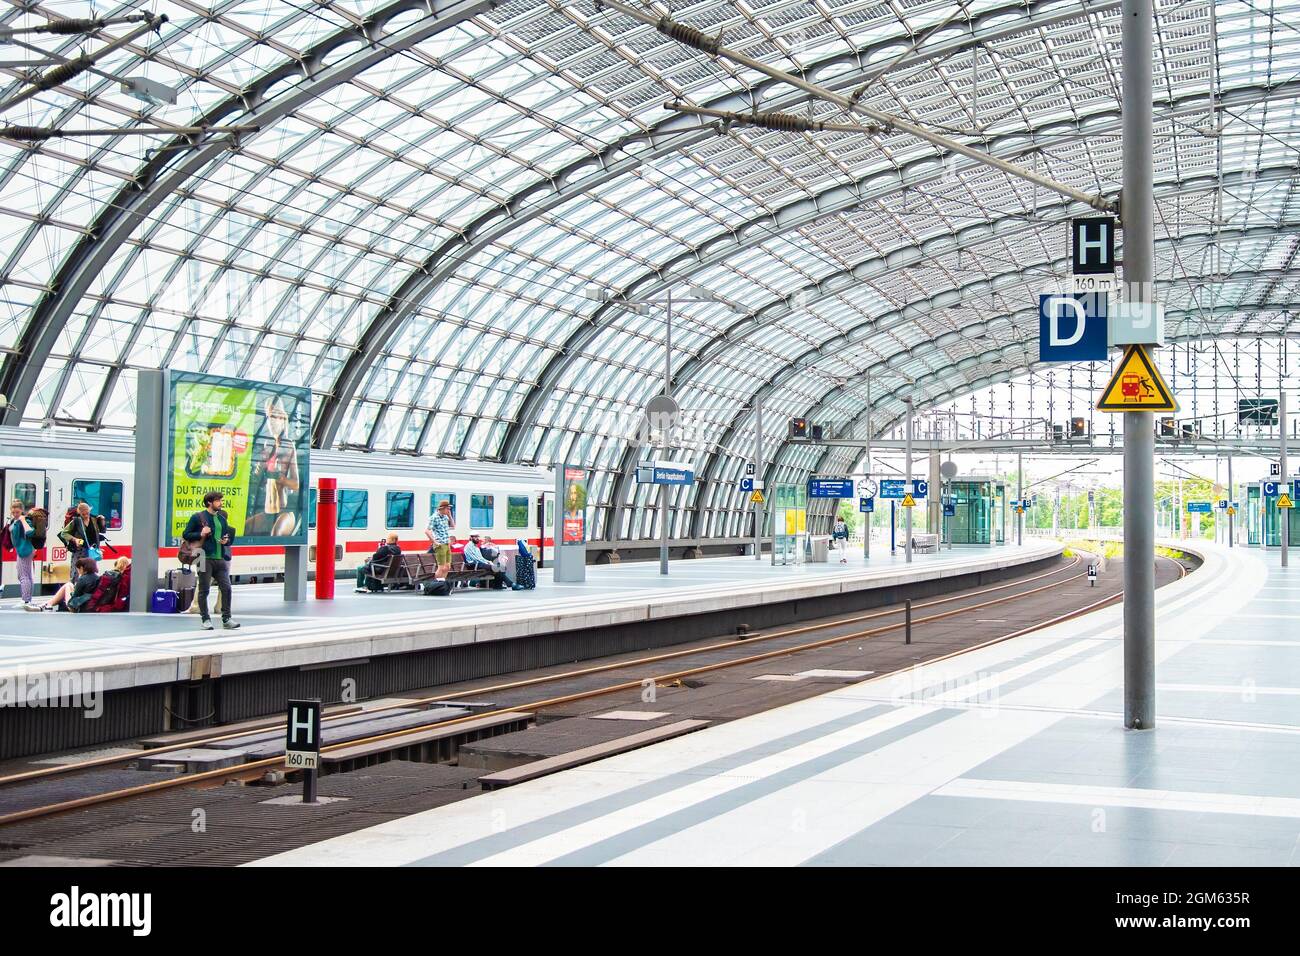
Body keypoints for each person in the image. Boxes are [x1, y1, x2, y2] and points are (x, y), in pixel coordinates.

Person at [244, 397, 301, 537]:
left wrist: (279, 478)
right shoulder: (268, 447)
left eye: (276, 416)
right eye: (269, 417)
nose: (273, 421)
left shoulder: (289, 446)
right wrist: (259, 469)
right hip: (268, 511)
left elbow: (296, 484)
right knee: (243, 528)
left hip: (285, 510)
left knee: (276, 534)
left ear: (283, 419)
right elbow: (255, 482)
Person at [182, 491, 240, 630]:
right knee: (204, 590)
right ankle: (205, 619)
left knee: (226, 588)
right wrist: (200, 533)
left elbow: (226, 537)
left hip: (219, 558)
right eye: (218, 500)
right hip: (202, 557)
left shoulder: (222, 520)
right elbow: (186, 534)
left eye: (221, 500)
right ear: (209, 502)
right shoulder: (197, 517)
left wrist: (225, 540)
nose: (221, 503)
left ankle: (226, 619)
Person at [25, 556, 98, 612]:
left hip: (77, 607)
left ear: (82, 568)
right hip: (90, 605)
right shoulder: (97, 577)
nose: (78, 571)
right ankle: (46, 605)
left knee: (68, 585)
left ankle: (45, 605)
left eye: (78, 569)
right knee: (69, 585)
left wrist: (77, 583)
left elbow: (75, 596)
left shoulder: (82, 579)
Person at [4, 499, 35, 605]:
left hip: (25, 550)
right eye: (13, 512)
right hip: (21, 549)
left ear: (22, 510)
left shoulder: (25, 520)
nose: (15, 514)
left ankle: (26, 599)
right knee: (26, 575)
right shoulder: (13, 521)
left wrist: (23, 520)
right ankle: (27, 598)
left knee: (23, 575)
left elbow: (30, 532)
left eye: (17, 512)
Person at [59, 501, 103, 567]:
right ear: (79, 513)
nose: (85, 516)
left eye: (87, 513)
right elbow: (63, 533)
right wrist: (75, 539)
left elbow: (102, 531)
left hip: (92, 550)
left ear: (89, 511)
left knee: (91, 571)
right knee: (76, 572)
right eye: (83, 514)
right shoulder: (76, 521)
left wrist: (102, 522)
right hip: (79, 550)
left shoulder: (94, 520)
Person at [426, 499, 454, 577]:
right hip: (440, 544)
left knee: (447, 567)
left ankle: (442, 582)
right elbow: (427, 531)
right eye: (448, 508)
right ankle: (438, 584)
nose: (449, 510)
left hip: (447, 543)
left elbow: (453, 526)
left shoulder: (445, 517)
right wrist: (435, 542)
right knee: (441, 567)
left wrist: (450, 516)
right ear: (442, 508)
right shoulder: (434, 517)